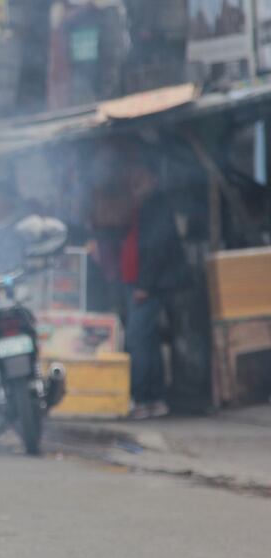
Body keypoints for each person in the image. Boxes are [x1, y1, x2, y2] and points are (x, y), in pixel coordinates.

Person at [120, 159, 189, 419]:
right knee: (147, 341)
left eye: (141, 176)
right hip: (139, 283)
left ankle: (142, 398)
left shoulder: (156, 205)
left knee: (138, 341)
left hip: (146, 286)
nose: (135, 180)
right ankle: (154, 399)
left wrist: (144, 285)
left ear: (154, 180)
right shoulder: (142, 204)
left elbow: (157, 248)